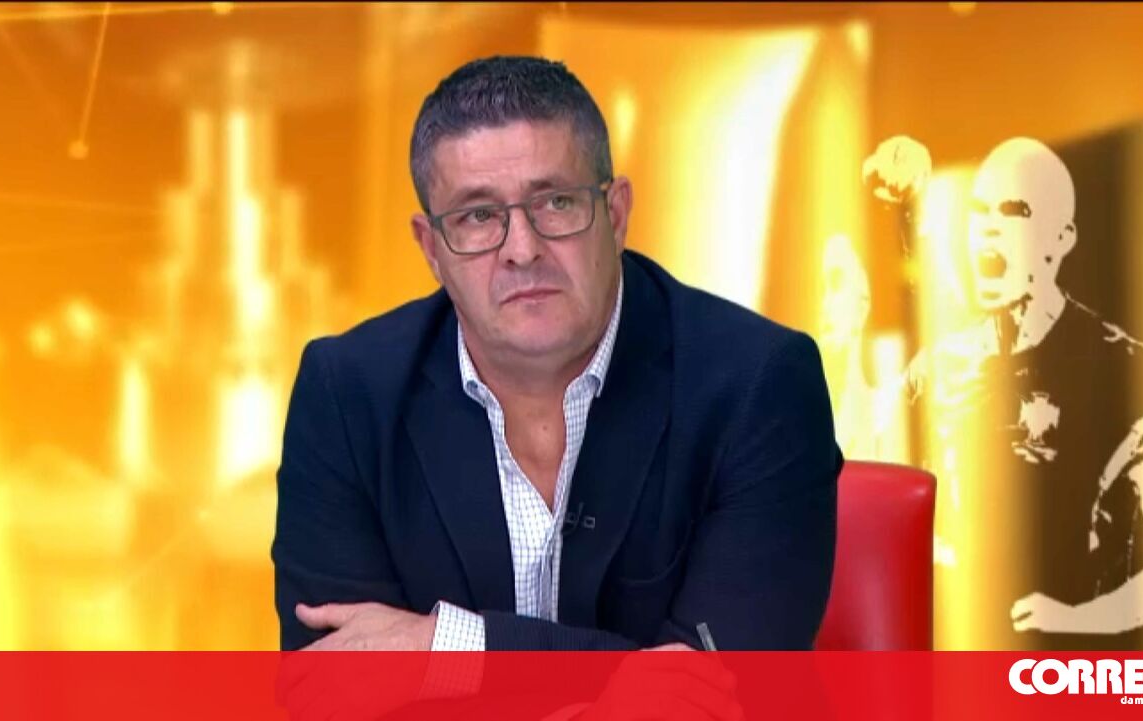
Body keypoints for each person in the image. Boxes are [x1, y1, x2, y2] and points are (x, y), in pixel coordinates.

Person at [271, 56, 841, 657]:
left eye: (556, 203)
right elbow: (335, 679)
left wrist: (448, 649)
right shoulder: (346, 394)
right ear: (432, 248)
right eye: (477, 216)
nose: (522, 249)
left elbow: (726, 688)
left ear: (615, 214)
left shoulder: (760, 385)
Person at [900, 137, 1143, 648]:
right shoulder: (933, 371)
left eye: (1014, 211)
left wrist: (1078, 619)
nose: (989, 228)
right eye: (979, 211)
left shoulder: (1125, 365)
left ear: (1061, 239)